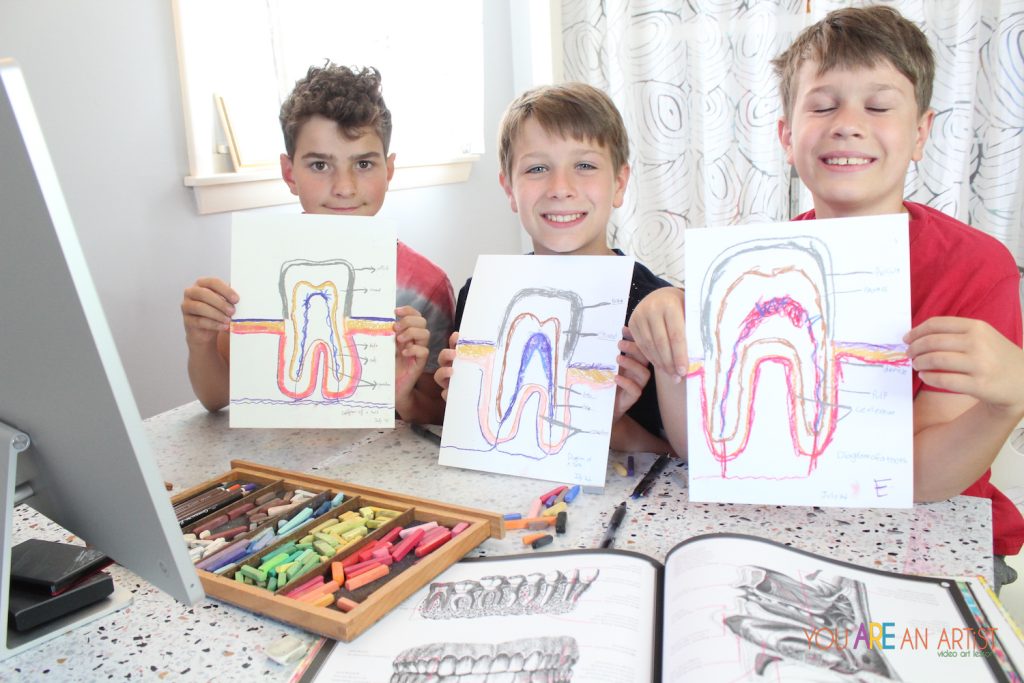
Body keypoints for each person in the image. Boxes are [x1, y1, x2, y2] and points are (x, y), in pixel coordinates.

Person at [630, 5, 1024, 591]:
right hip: (783, 528)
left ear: (920, 133)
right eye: (822, 104)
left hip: (931, 537)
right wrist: (669, 344)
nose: (847, 123)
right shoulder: (750, 269)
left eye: (879, 105)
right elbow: (704, 450)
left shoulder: (974, 266)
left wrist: (1007, 402)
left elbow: (924, 479)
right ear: (787, 136)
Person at [181, 63, 454, 425]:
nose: (344, 187)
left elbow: (439, 412)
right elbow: (216, 397)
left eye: (363, 164)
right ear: (289, 173)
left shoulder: (425, 287)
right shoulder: (262, 267)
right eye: (320, 166)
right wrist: (199, 340)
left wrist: (401, 391)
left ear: (388, 171)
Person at [433, 83, 672, 454]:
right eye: (538, 168)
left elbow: (685, 467)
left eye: (585, 165)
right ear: (509, 189)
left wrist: (612, 427)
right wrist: (464, 406)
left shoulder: (659, 312)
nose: (561, 187)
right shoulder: (481, 297)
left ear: (619, 184)